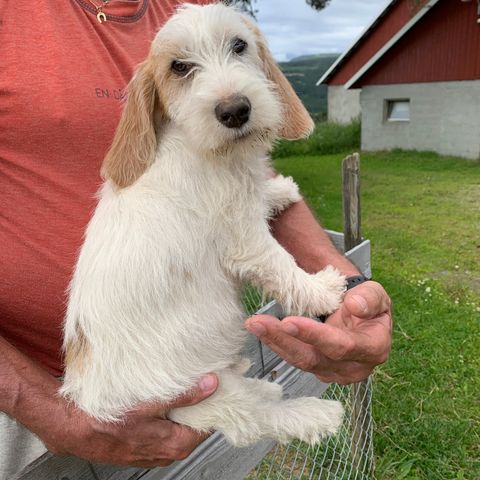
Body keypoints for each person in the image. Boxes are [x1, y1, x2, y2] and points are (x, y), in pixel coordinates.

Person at [0, 0, 392, 477]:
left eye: (238, 49)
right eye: (184, 69)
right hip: (27, 410)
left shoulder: (190, 7)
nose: (225, 88)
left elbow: (233, 192)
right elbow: (241, 232)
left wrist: (349, 293)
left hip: (165, 380)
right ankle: (260, 413)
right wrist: (49, 413)